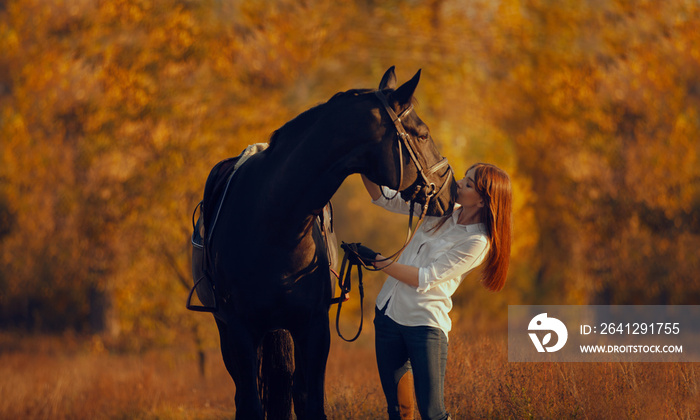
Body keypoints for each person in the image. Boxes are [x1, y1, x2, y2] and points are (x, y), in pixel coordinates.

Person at [359, 163, 512, 420]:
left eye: (469, 183)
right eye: (465, 177)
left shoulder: (477, 242)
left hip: (424, 327)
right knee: (398, 410)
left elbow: (423, 277)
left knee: (433, 414)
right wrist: (361, 161)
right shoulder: (439, 208)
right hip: (387, 315)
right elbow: (384, 198)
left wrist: (377, 260)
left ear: (484, 201)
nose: (460, 183)